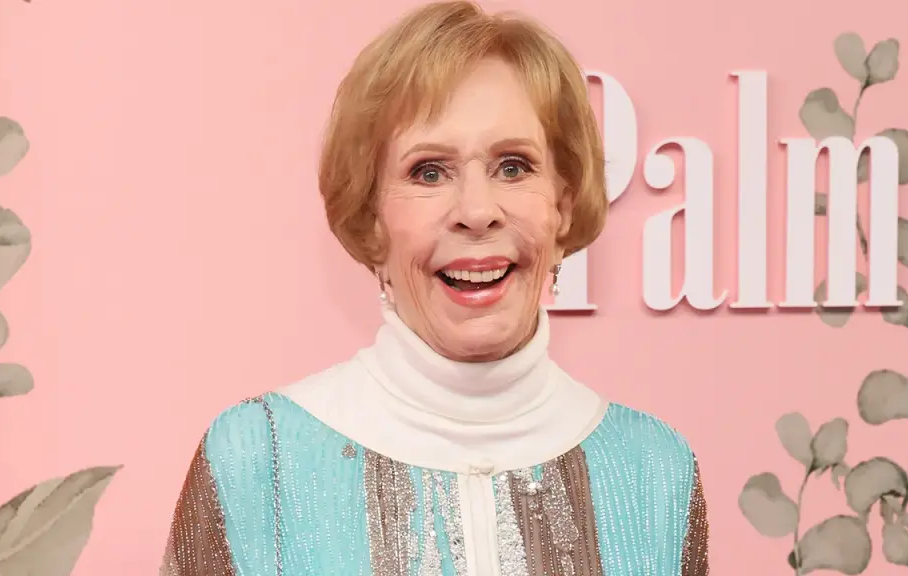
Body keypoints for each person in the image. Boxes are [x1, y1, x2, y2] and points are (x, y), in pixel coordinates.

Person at [159, 2, 709, 575]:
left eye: (513, 166)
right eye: (429, 171)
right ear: (372, 218)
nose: (476, 210)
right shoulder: (257, 459)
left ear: (563, 206)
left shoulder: (656, 471)